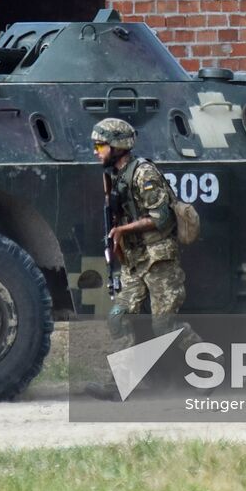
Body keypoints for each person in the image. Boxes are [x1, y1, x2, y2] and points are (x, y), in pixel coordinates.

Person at [85, 117, 195, 399]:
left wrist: (123, 229)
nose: (96, 151)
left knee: (164, 326)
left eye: (101, 145)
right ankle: (117, 385)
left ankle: (209, 365)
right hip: (135, 262)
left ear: (118, 146)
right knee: (118, 318)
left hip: (159, 260)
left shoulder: (143, 174)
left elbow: (161, 217)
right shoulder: (114, 175)